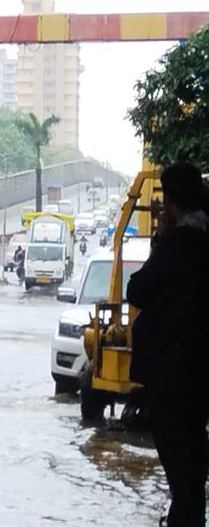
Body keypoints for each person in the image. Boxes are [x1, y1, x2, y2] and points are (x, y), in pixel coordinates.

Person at [127, 162, 209, 527]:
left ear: (173, 205)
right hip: (198, 370)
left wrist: (160, 238)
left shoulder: (179, 245)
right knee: (192, 458)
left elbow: (139, 289)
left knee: (182, 465)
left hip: (174, 371)